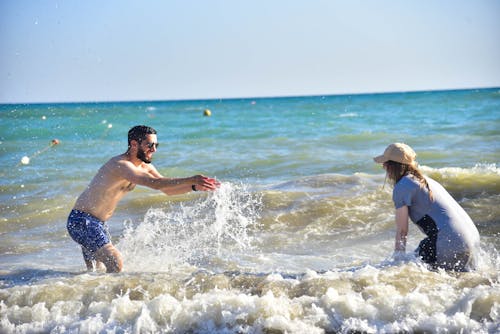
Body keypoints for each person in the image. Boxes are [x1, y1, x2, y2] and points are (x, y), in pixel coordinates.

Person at [67, 125, 220, 273]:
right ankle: (116, 297)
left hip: (98, 224)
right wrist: (191, 179)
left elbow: (166, 189)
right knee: (115, 263)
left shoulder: (145, 167)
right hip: (82, 222)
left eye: (156, 145)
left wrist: (194, 187)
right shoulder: (120, 164)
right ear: (134, 144)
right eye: (150, 145)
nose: (154, 149)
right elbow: (154, 183)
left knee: (95, 274)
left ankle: (92, 298)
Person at [373, 143, 480, 271]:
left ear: (392, 166)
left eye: (385, 164)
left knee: (407, 271)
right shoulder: (426, 180)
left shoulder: (402, 186)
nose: (383, 167)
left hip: (449, 241)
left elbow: (402, 231)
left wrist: (397, 263)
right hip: (472, 239)